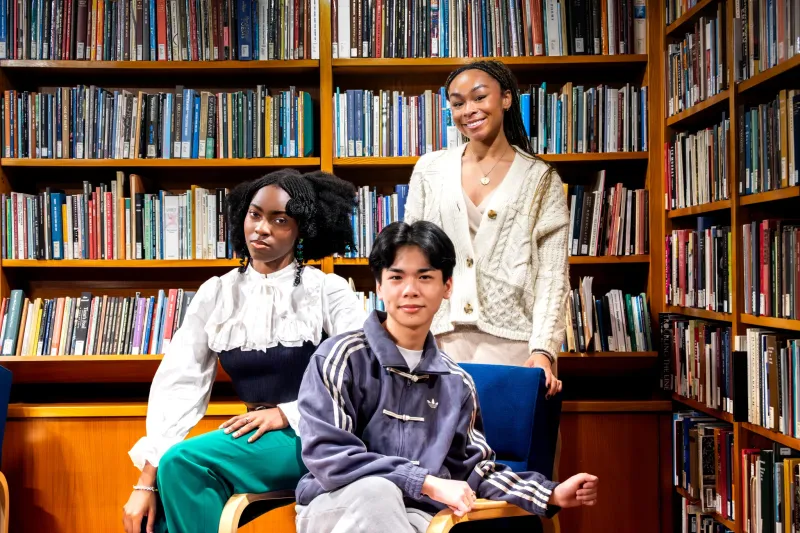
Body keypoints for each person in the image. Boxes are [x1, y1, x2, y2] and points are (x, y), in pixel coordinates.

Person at [293, 221, 598, 533]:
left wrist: (548, 493)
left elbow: (475, 468)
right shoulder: (340, 357)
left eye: (425, 277)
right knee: (377, 492)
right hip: (336, 506)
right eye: (396, 277)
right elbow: (328, 455)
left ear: (447, 287)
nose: (410, 290)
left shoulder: (457, 381)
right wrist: (424, 481)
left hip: (419, 518)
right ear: (379, 287)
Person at [121, 169, 367, 533]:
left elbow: (360, 374)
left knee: (186, 463)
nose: (261, 228)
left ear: (303, 230)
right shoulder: (217, 293)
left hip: (318, 435)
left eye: (279, 220)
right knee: (162, 507)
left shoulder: (326, 290)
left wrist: (286, 413)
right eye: (255, 214)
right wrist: (146, 480)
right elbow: (179, 384)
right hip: (254, 440)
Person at [404, 59, 570, 399]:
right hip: (437, 341)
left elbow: (553, 275)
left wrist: (543, 349)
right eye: (458, 102)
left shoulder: (540, 179)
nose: (469, 110)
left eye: (480, 97)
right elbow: (409, 259)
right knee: (437, 449)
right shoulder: (429, 170)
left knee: (509, 447)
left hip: (515, 347)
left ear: (506, 99)